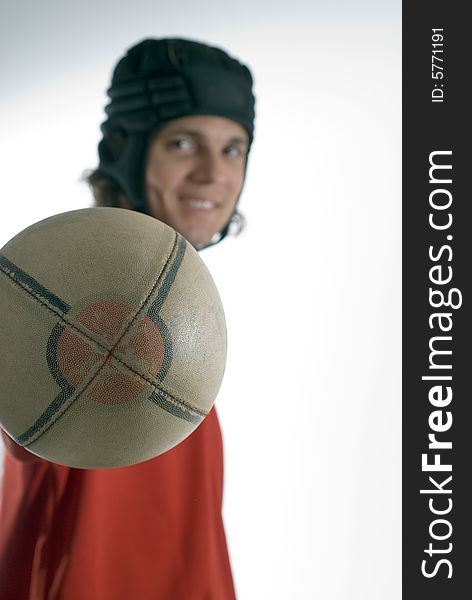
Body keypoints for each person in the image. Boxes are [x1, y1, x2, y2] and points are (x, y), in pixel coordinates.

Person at [0, 38, 255, 599]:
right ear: (125, 149)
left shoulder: (171, 321)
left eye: (234, 148)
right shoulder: (71, 303)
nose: (214, 173)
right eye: (184, 143)